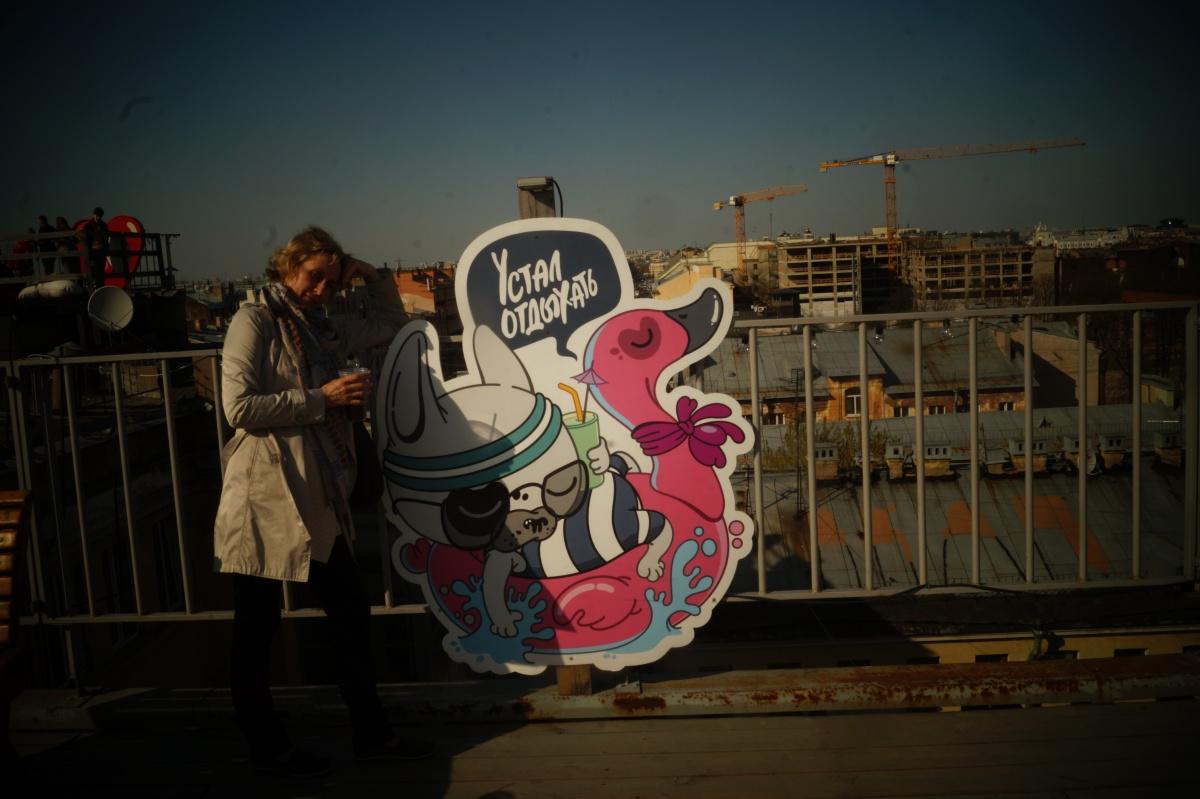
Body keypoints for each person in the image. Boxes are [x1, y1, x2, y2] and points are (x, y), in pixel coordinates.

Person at [213, 226, 425, 778]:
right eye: (313, 277)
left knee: (349, 613)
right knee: (257, 627)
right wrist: (320, 399)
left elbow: (390, 322)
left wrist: (371, 274)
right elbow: (238, 407)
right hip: (265, 495)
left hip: (316, 493)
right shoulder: (255, 320)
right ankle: (268, 747)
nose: (321, 290)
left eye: (332, 282)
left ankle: (371, 735)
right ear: (288, 266)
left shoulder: (325, 330)